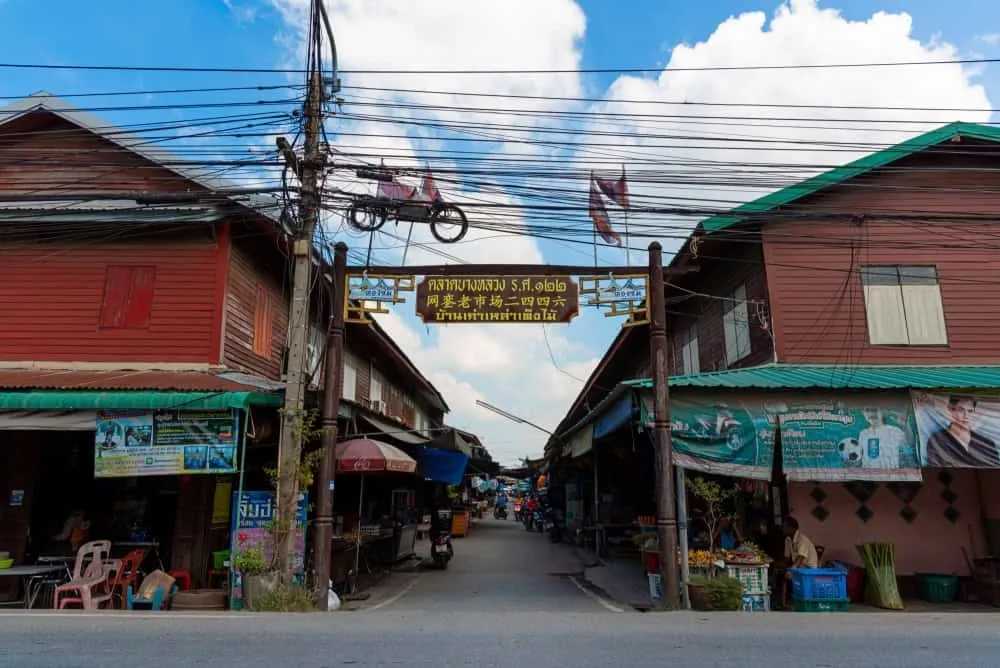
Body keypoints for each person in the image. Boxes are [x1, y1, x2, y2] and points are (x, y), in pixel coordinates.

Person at [925, 396, 999, 467]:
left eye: (970, 411)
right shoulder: (936, 441)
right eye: (961, 410)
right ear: (951, 410)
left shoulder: (987, 443)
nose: (966, 416)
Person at [778, 516, 819, 608]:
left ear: (791, 528)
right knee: (779, 571)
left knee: (787, 575)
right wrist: (778, 564)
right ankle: (783, 603)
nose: (783, 529)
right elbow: (788, 558)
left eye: (784, 527)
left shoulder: (802, 539)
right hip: (799, 566)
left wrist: (791, 570)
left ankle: (789, 602)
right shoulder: (788, 540)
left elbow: (800, 558)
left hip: (809, 568)